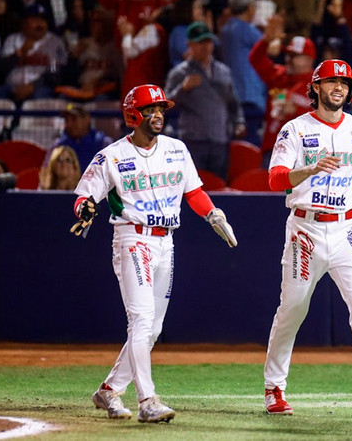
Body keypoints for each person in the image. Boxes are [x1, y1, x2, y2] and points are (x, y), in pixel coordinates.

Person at [74, 84, 237, 423]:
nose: (159, 115)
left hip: (166, 241)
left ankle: (108, 390)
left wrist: (213, 215)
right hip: (133, 238)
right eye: (151, 109)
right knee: (142, 319)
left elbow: (194, 191)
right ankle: (148, 400)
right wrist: (85, 208)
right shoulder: (112, 155)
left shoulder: (177, 149)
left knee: (153, 327)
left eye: (161, 109)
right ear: (133, 115)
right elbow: (84, 196)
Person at [264, 59, 352, 419]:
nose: (338, 87)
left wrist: (343, 204)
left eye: (344, 82)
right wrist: (309, 169)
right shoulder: (294, 129)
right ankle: (274, 387)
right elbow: (275, 179)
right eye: (331, 81)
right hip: (305, 228)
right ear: (316, 87)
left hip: (345, 229)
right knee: (293, 309)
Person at [165, 21, 246, 181]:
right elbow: (165, 105)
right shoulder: (179, 73)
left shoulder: (223, 71)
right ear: (190, 44)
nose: (205, 46)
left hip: (220, 140)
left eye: (208, 41)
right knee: (194, 187)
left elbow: (233, 103)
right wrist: (183, 88)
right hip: (193, 141)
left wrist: (239, 122)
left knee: (220, 187)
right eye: (200, 42)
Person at [249, 13, 316, 157]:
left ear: (309, 60)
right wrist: (265, 41)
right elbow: (255, 59)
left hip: (303, 153)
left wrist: (296, 111)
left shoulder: (318, 84)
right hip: (273, 148)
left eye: (295, 56)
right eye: (288, 55)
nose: (289, 60)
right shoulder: (278, 75)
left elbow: (325, 117)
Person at [219, 0, 266, 146]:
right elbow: (271, 48)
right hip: (249, 96)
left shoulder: (225, 29)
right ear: (250, 8)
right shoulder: (246, 30)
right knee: (251, 143)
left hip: (233, 94)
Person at [50, 103, 113, 174]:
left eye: (74, 119)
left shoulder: (103, 143)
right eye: (67, 120)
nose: (69, 124)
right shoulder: (59, 145)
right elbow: (48, 173)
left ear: (87, 119)